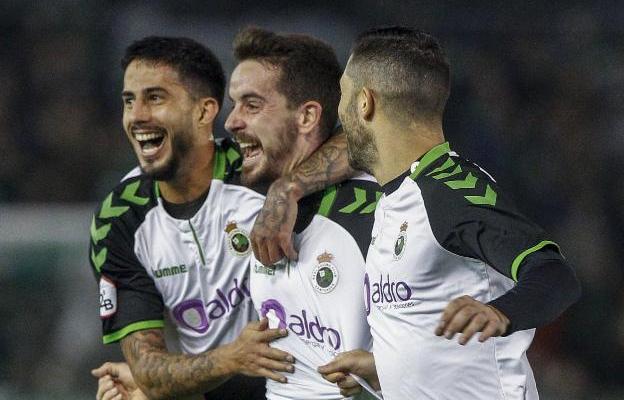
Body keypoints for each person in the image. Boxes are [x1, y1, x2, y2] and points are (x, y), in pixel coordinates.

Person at [319, 26, 581, 399]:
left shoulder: (448, 188)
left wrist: (501, 312)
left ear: (365, 103)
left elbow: (555, 275)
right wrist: (386, 371)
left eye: (343, 97)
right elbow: (434, 332)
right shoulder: (396, 197)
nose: (340, 114)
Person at [89, 36, 353, 400]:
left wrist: (287, 188)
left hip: (315, 383)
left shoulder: (256, 167)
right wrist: (228, 360)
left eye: (155, 98)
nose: (137, 116)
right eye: (129, 101)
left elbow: (360, 141)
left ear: (204, 112)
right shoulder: (120, 217)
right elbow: (149, 369)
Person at [227, 27, 379, 399]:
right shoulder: (245, 191)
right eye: (234, 104)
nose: (231, 121)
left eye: (252, 105)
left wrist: (386, 371)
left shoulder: (384, 205)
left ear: (308, 117)